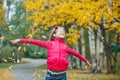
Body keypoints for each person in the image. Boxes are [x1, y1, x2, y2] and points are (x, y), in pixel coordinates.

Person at [11, 26, 91, 80]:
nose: (62, 32)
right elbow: (34, 41)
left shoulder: (65, 47)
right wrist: (20, 40)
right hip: (51, 74)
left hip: (62, 75)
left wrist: (85, 61)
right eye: (59, 31)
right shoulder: (49, 44)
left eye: (63, 32)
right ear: (54, 35)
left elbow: (76, 53)